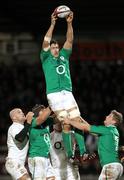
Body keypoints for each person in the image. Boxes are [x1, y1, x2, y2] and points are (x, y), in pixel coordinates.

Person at [40, 10, 86, 162]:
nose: (55, 48)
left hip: (67, 93)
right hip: (54, 94)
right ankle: (70, 155)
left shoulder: (64, 56)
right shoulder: (45, 58)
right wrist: (52, 24)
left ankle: (83, 152)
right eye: (52, 47)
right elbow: (46, 41)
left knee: (77, 122)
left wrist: (69, 23)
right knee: (66, 124)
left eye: (56, 46)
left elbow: (70, 40)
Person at [63, 110, 124, 180]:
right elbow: (90, 129)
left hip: (110, 166)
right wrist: (80, 118)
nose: (106, 116)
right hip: (117, 166)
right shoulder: (114, 131)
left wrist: (69, 121)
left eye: (109, 116)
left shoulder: (107, 130)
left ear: (114, 122)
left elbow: (85, 128)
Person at [28, 104, 56, 180]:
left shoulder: (46, 122)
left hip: (45, 157)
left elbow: (57, 118)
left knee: (52, 178)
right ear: (37, 113)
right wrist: (52, 105)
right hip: (36, 156)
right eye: (42, 110)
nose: (45, 112)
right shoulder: (33, 121)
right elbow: (42, 118)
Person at [5, 108, 34, 180]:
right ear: (14, 117)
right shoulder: (14, 127)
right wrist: (28, 122)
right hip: (14, 162)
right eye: (19, 112)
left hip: (19, 164)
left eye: (22, 111)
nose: (22, 113)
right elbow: (20, 138)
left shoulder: (23, 128)